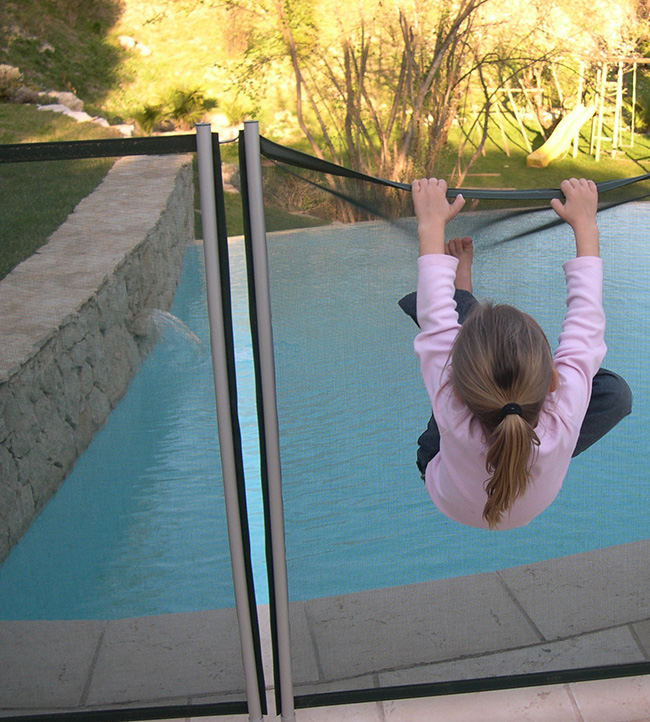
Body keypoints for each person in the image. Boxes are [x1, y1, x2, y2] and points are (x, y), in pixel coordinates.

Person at [400, 177, 632, 530]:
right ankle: (466, 305)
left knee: (472, 348)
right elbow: (438, 323)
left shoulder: (452, 402)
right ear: (553, 379)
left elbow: (436, 317)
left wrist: (585, 223)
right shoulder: (564, 411)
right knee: (615, 395)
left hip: (445, 484)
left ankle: (462, 295)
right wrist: (586, 222)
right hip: (528, 496)